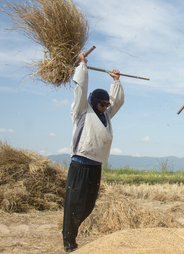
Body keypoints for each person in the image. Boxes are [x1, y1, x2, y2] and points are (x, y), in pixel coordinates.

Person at [62, 52, 124, 252]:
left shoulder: (106, 115)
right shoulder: (82, 110)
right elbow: (80, 89)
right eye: (102, 103)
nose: (106, 106)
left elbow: (117, 101)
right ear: (94, 101)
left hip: (96, 166)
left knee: (87, 206)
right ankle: (69, 243)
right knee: (74, 205)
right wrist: (82, 66)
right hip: (80, 164)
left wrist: (116, 81)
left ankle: (71, 234)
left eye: (107, 104)